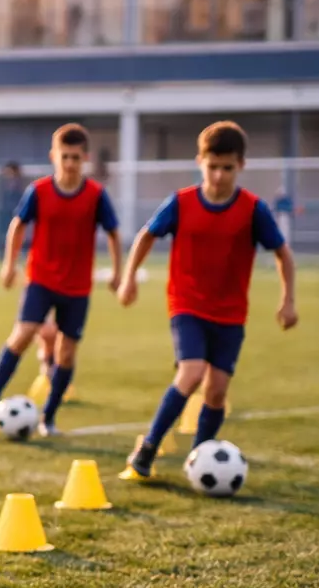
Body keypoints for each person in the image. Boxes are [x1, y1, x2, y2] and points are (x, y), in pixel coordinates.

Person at [118, 120, 297, 480]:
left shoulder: (252, 209)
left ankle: (200, 458)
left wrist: (288, 300)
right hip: (187, 304)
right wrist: (128, 278)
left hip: (230, 314)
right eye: (212, 167)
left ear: (240, 166)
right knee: (192, 371)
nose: (218, 176)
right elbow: (146, 236)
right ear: (200, 161)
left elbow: (283, 253)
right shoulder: (181, 203)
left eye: (227, 168)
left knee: (216, 392)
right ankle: (148, 447)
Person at [0, 123, 121, 438]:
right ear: (53, 156)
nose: (69, 163)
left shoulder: (95, 195)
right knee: (23, 334)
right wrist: (9, 265)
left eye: (76, 158)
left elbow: (113, 232)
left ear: (86, 159)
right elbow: (18, 225)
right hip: (40, 279)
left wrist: (119, 272)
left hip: (77, 287)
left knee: (66, 353)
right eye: (64, 156)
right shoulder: (39, 191)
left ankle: (49, 418)